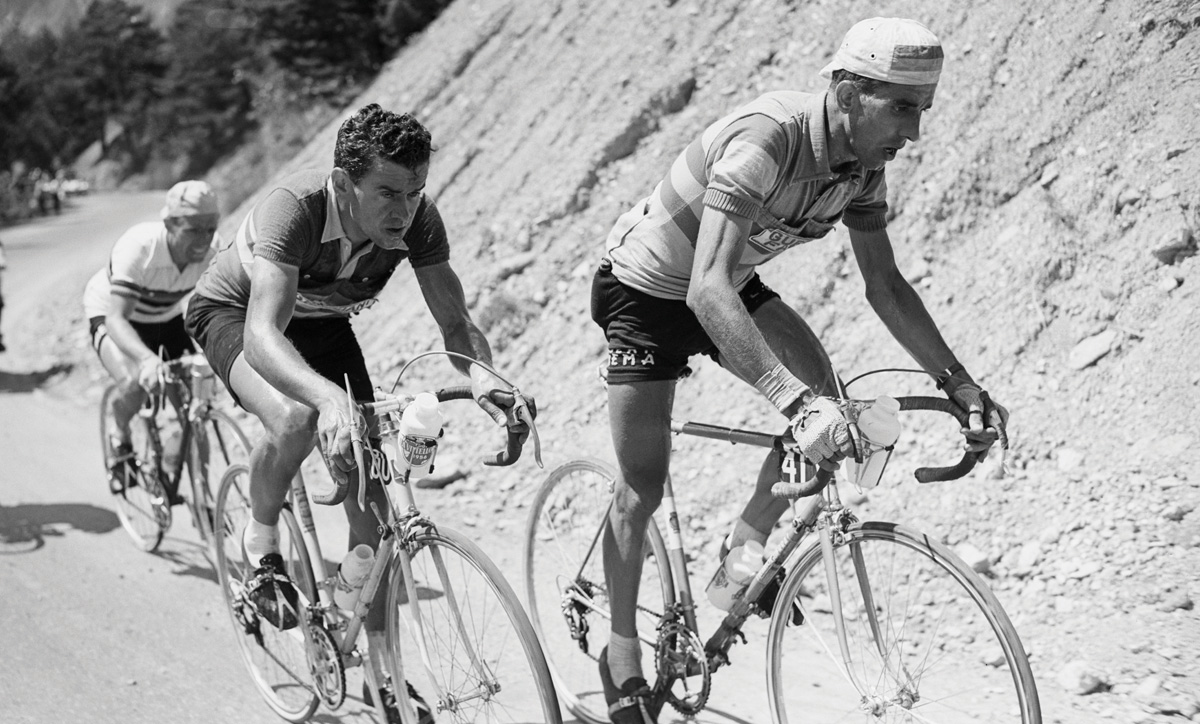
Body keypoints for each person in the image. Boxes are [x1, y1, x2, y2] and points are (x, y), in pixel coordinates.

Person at [589, 18, 1009, 723]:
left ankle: (741, 560)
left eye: (921, 109)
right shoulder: (768, 139)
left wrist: (958, 381)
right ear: (846, 93)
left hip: (727, 279)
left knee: (830, 414)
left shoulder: (864, 166)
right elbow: (703, 290)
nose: (913, 132)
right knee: (643, 483)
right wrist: (791, 401)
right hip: (648, 289)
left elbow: (886, 286)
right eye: (901, 108)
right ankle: (621, 651)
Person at [185, 103, 516, 722]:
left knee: (376, 506)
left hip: (323, 325)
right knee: (296, 419)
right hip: (236, 315)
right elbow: (263, 334)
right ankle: (260, 550)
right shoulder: (296, 208)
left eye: (415, 192)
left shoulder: (417, 220)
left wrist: (485, 379)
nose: (405, 209)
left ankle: (373, 659)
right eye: (388, 192)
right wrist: (330, 399)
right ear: (343, 183)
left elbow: (454, 322)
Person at [83, 180, 222, 492]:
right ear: (170, 224)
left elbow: (219, 308)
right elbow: (116, 319)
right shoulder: (140, 247)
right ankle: (119, 434)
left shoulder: (213, 250)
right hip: (113, 313)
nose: (203, 240)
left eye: (210, 228)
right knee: (134, 382)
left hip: (165, 317)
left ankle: (203, 498)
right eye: (193, 230)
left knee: (195, 407)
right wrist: (146, 360)